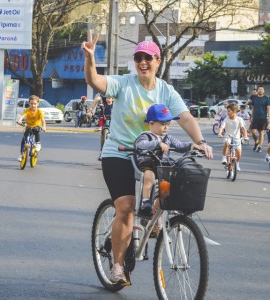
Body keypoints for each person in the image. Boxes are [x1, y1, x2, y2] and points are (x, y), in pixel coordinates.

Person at [82, 31, 213, 286]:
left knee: (167, 188)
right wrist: (90, 59)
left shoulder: (166, 90)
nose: (143, 62)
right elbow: (95, 81)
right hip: (118, 153)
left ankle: (151, 219)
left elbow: (185, 117)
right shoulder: (124, 83)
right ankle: (117, 267)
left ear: (158, 61)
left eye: (148, 58)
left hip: (151, 154)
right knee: (126, 209)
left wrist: (200, 142)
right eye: (138, 57)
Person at [135, 104, 202, 217]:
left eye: (168, 124)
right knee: (149, 177)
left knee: (168, 189)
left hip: (162, 167)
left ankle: (155, 214)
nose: (166, 127)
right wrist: (157, 143)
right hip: (148, 164)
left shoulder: (168, 138)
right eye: (162, 124)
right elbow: (140, 145)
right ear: (151, 123)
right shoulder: (146, 136)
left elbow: (179, 145)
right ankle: (145, 202)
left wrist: (192, 146)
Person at [218, 102, 249, 171]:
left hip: (237, 138)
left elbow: (243, 128)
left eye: (229, 111)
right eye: (227, 111)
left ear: (234, 111)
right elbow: (221, 127)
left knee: (239, 152)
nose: (227, 113)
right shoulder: (226, 119)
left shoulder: (239, 119)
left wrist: (245, 136)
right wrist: (219, 133)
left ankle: (237, 163)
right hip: (228, 136)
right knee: (227, 142)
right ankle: (224, 157)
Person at [17, 95, 46, 161]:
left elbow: (43, 120)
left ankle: (38, 143)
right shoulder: (27, 110)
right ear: (29, 103)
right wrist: (19, 121)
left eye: (35, 104)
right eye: (31, 103)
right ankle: (21, 154)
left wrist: (44, 127)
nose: (33, 105)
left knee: (36, 130)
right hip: (28, 126)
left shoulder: (39, 111)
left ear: (37, 104)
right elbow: (22, 116)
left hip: (36, 126)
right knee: (23, 140)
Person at [245, 85, 270, 153]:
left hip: (263, 118)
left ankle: (259, 147)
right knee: (253, 132)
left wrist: (269, 120)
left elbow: (268, 109)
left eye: (262, 89)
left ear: (264, 91)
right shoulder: (255, 98)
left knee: (261, 132)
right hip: (255, 117)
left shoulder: (266, 98)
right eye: (259, 89)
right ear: (257, 90)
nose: (260, 90)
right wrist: (251, 117)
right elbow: (253, 108)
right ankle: (256, 141)